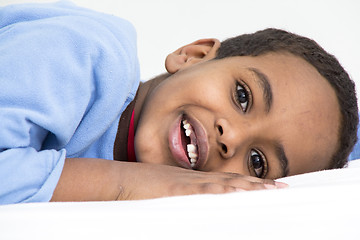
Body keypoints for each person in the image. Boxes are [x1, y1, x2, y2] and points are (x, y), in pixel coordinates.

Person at [0, 1, 357, 204]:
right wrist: (124, 183)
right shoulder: (87, 54)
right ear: (193, 55)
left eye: (258, 162)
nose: (231, 137)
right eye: (243, 96)